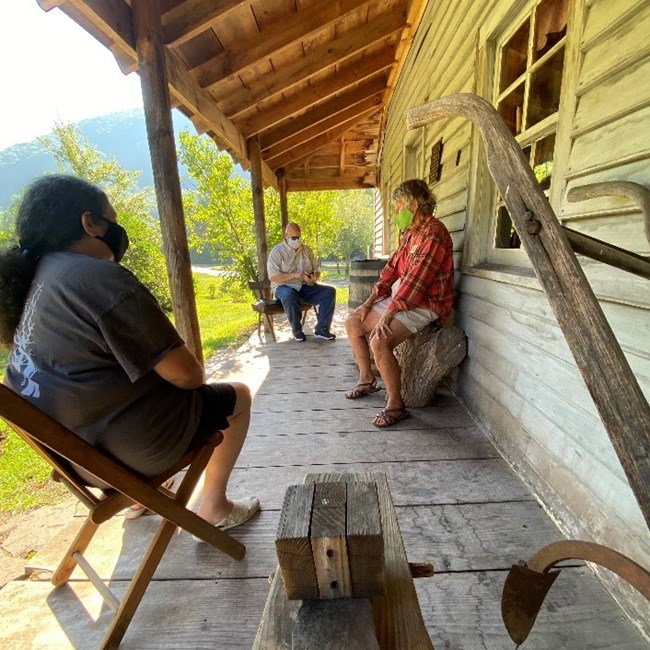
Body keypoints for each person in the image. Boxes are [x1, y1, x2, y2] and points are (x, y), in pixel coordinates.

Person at [0, 174, 259, 532]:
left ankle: (139, 499)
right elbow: (188, 375)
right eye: (113, 221)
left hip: (79, 462)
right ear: (90, 223)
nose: (119, 233)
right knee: (239, 396)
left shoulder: (34, 281)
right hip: (134, 452)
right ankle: (213, 506)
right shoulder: (97, 277)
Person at [344, 179, 454, 427]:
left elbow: (417, 282)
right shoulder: (410, 233)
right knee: (353, 322)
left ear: (414, 205)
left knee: (379, 339)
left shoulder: (434, 234)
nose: (395, 212)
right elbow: (391, 269)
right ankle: (366, 379)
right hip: (403, 298)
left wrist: (387, 315)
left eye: (398, 206)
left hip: (427, 303)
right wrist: (369, 302)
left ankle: (396, 406)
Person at [267, 222, 336, 342]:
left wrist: (314, 277)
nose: (297, 240)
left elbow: (316, 270)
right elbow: (273, 277)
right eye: (294, 238)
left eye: (299, 237)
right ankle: (297, 331)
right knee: (289, 294)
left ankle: (322, 330)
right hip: (283, 287)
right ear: (286, 236)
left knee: (329, 292)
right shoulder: (277, 252)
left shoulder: (307, 250)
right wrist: (294, 275)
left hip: (305, 287)